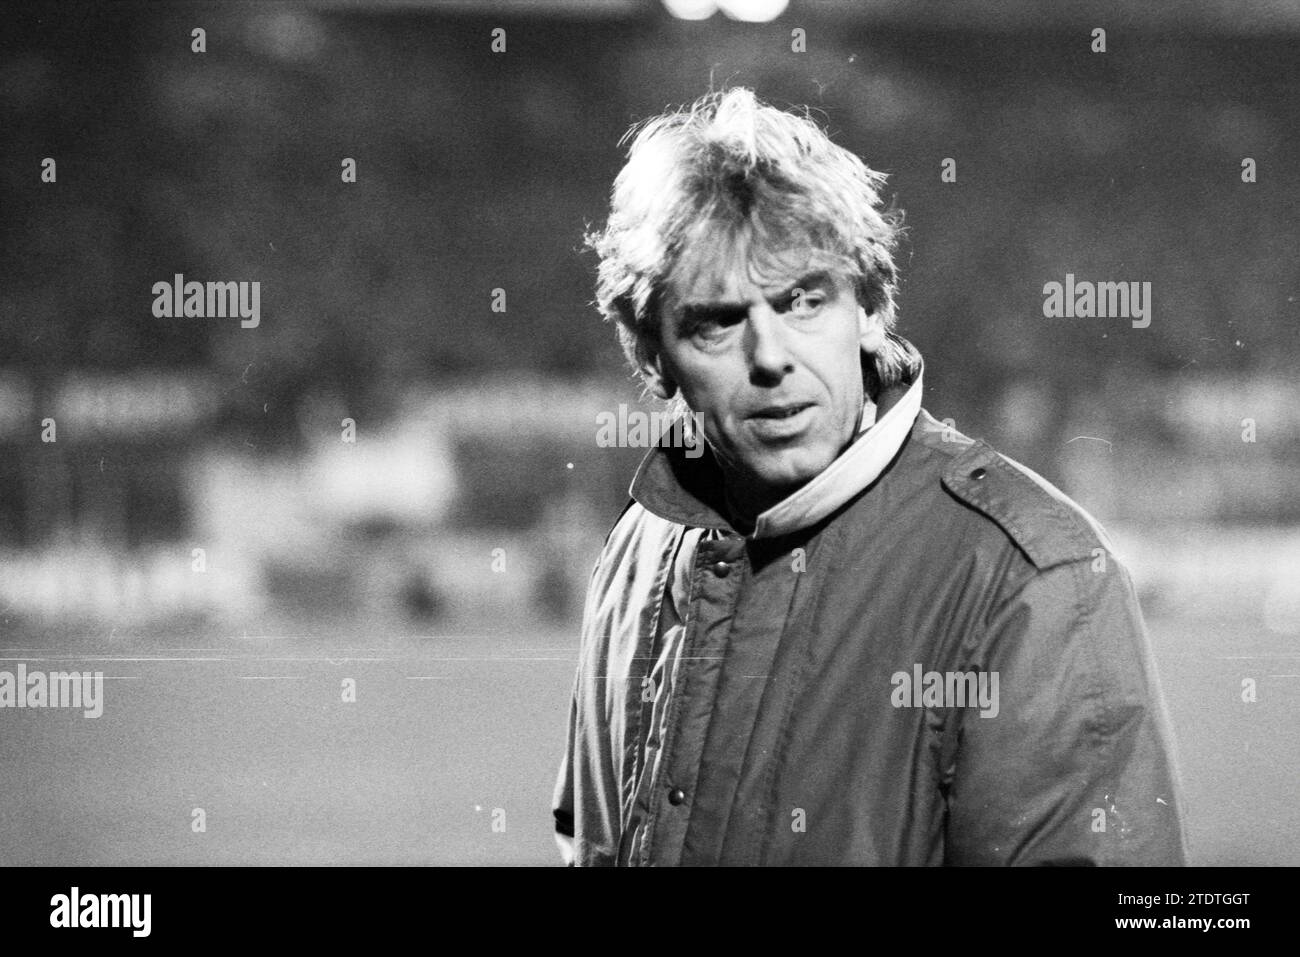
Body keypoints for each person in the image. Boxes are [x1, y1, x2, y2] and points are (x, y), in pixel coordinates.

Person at [552, 88, 1188, 866]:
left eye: (804, 300)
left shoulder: (1029, 577)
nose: (772, 357)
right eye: (717, 321)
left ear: (870, 308)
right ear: (652, 355)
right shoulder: (635, 554)